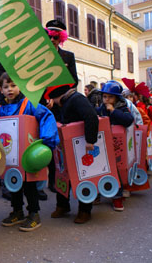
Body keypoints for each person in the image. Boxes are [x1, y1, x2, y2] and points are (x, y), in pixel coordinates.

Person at [0, 72, 59, 231]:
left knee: (30, 186)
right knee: (13, 184)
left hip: (27, 155)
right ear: (1, 90)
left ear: (20, 87)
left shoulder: (29, 104)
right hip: (10, 155)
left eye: (13, 85)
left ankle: (34, 214)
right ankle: (17, 211)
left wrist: (46, 140)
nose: (10, 89)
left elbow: (47, 116)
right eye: (6, 86)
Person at [46, 83, 99, 224]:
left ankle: (85, 210)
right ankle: (63, 205)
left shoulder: (77, 99)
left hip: (81, 145)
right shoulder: (62, 103)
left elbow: (91, 116)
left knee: (83, 176)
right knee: (62, 175)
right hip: (65, 145)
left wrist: (90, 140)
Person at [96, 81, 134, 211]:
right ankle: (98, 192)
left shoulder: (123, 107)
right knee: (99, 168)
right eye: (105, 96)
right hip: (102, 144)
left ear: (117, 97)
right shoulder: (101, 108)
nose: (107, 99)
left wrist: (113, 111)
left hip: (117, 146)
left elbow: (129, 120)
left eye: (110, 97)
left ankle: (117, 197)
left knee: (115, 171)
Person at [45, 20, 78, 87]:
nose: (52, 40)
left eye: (55, 37)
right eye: (50, 36)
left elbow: (74, 81)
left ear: (60, 38)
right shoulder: (38, 54)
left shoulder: (69, 56)